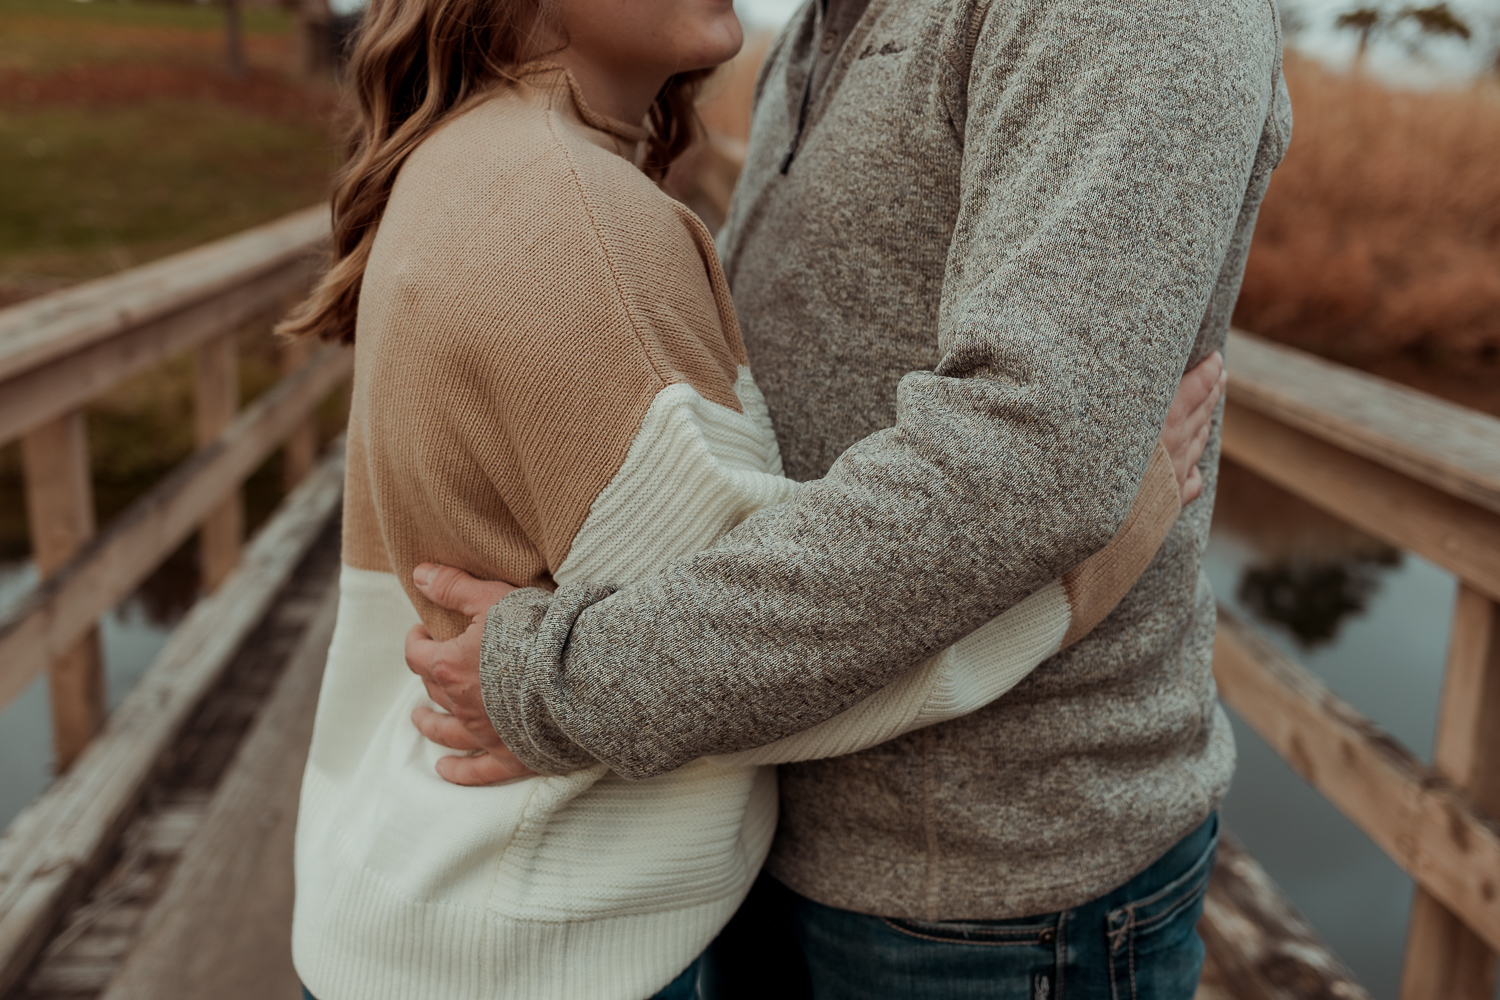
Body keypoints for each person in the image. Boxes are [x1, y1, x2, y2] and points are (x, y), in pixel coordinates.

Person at [278, 0, 1228, 996]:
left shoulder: (489, 166)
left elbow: (713, 655)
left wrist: (549, 682)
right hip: (534, 930)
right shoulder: (573, 219)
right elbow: (718, 660)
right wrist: (1111, 536)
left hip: (985, 898)